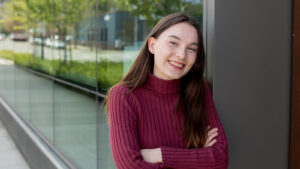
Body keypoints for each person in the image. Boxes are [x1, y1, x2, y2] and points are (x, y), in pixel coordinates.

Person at [105, 12, 228, 169]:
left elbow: (220, 159)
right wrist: (197, 158)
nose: (181, 55)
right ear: (152, 45)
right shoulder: (124, 96)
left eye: (191, 49)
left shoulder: (199, 90)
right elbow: (130, 166)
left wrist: (158, 155)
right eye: (173, 43)